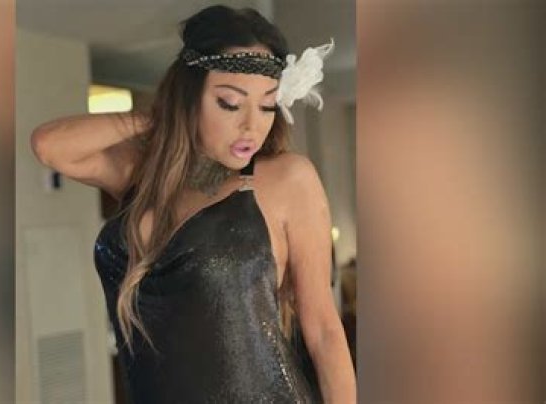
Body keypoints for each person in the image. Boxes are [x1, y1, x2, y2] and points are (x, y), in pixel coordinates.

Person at [31, 5, 355, 403]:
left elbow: (323, 331)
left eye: (267, 105)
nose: (252, 126)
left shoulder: (287, 180)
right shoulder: (144, 177)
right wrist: (163, 118)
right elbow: (49, 146)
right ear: (190, 97)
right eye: (230, 103)